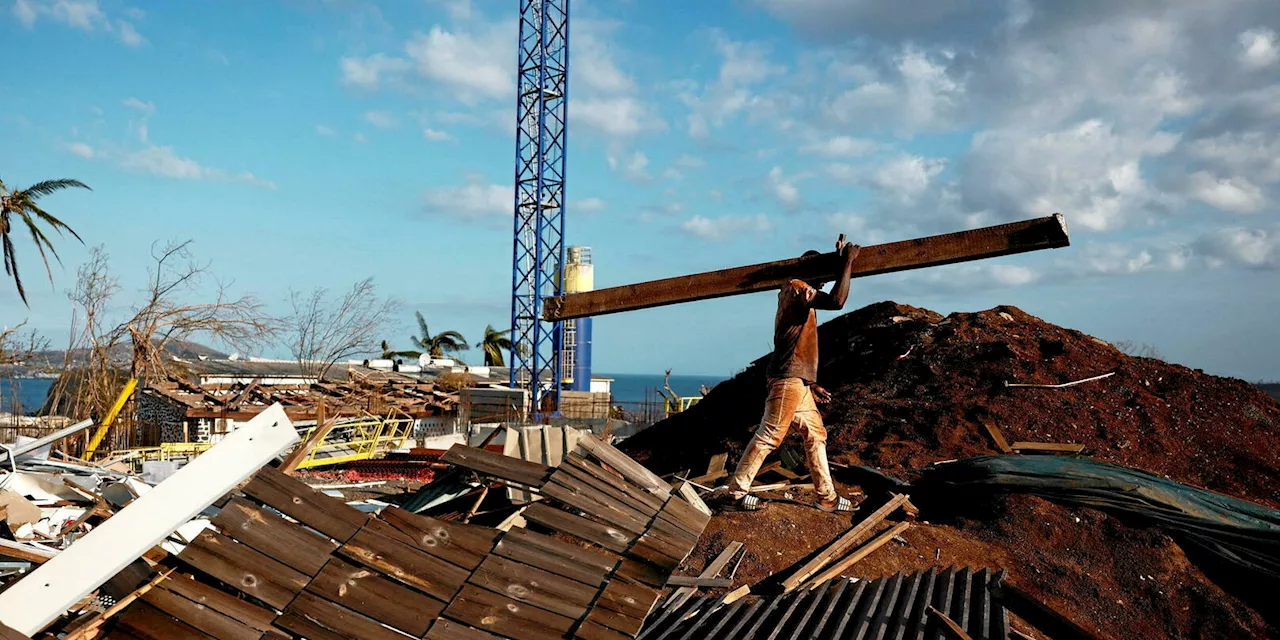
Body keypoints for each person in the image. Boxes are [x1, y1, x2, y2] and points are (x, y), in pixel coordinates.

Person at [713, 236, 860, 513]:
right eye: (822, 276)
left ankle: (826, 497)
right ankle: (735, 494)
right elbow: (838, 301)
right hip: (786, 379)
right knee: (769, 436)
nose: (824, 283)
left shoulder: (801, 293)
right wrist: (848, 263)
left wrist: (810, 384)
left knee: (816, 435)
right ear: (810, 271)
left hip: (797, 382)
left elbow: (798, 345)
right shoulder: (795, 287)